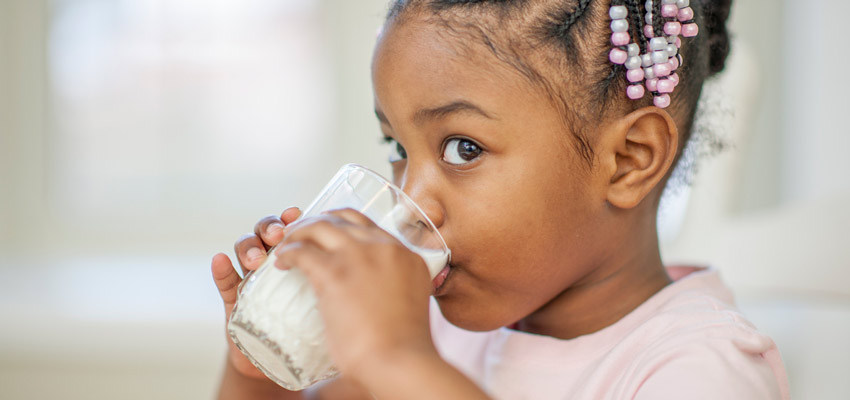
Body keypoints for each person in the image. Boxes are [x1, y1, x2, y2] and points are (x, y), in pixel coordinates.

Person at [211, 0, 790, 398]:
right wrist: (264, 371)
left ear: (629, 159)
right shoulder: (443, 328)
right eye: (396, 144)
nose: (411, 199)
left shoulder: (700, 370)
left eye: (462, 148)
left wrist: (401, 361)